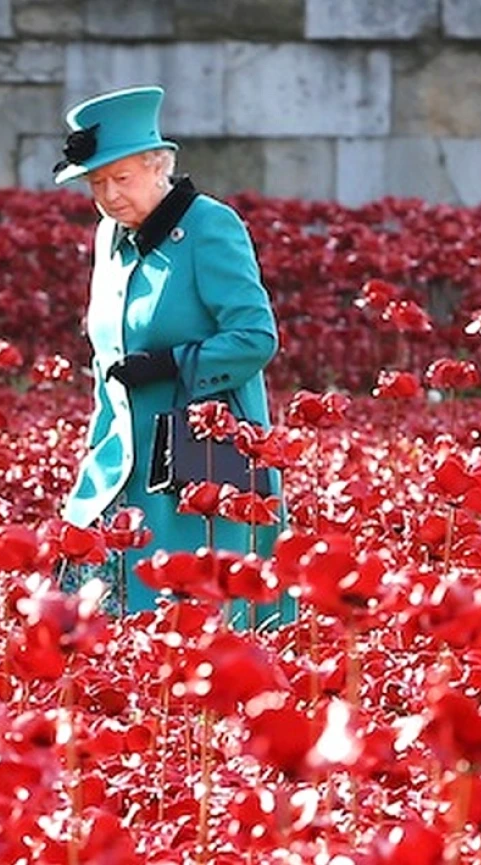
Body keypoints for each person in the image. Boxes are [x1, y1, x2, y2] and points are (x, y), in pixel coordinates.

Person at [54, 85, 293, 626]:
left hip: (202, 462)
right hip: (121, 460)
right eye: (97, 184)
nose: (111, 195)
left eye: (122, 178)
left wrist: (174, 364)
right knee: (92, 618)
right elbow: (106, 360)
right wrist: (95, 447)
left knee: (201, 625)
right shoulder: (107, 237)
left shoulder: (210, 226)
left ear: (159, 168)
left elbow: (256, 337)